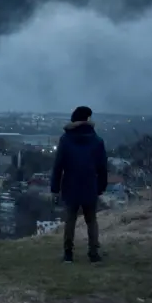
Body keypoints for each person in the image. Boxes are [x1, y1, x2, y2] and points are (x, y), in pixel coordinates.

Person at [50, 106, 108, 264]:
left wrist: (55, 188)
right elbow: (102, 167)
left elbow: (58, 166)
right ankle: (94, 254)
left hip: (70, 184)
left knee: (70, 220)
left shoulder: (66, 140)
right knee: (91, 220)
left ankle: (68, 254)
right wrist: (101, 187)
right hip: (90, 184)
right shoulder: (97, 141)